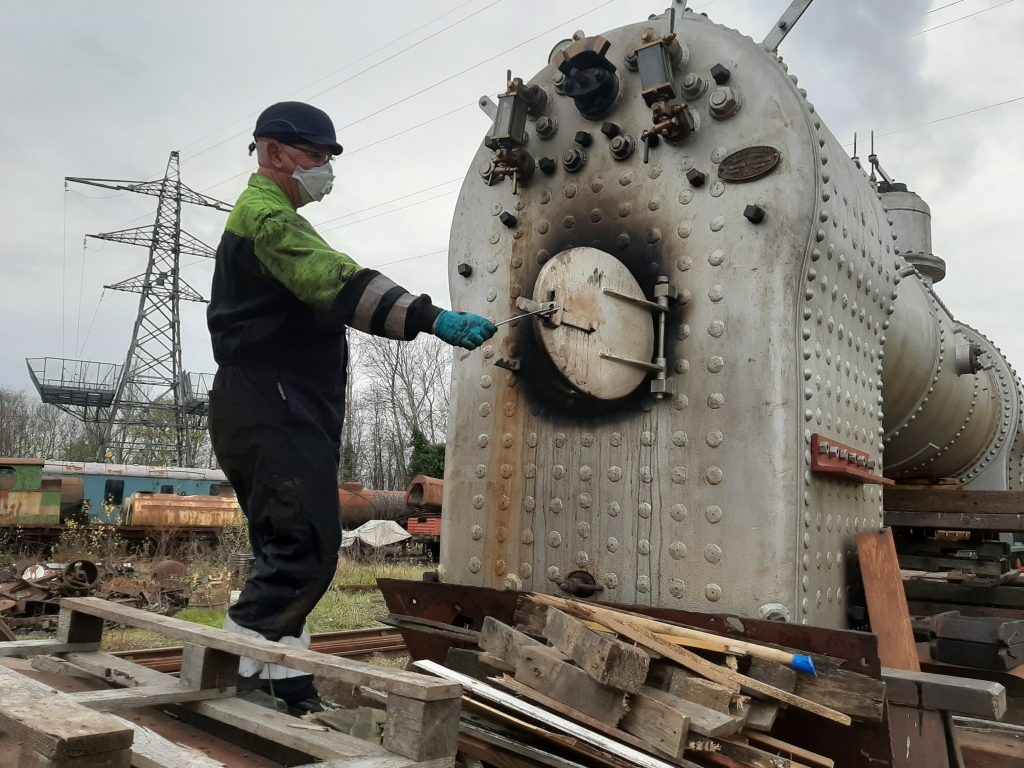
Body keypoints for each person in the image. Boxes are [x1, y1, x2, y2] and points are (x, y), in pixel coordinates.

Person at [206, 101, 496, 715]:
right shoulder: (267, 220)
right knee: (305, 549)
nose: (324, 171)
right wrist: (431, 318)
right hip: (273, 404)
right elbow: (336, 282)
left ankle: (286, 686)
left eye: (329, 159)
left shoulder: (269, 219)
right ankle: (241, 684)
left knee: (285, 548)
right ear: (273, 152)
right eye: (314, 157)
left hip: (265, 405)